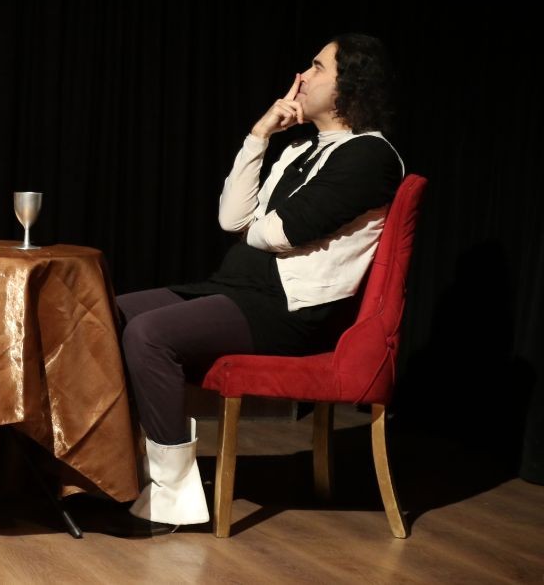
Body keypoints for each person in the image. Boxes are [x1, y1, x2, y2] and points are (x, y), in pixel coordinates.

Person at [118, 33, 404, 527]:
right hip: (239, 291)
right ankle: (110, 467)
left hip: (290, 309)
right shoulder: (299, 150)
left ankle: (174, 496)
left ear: (351, 84)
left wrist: (258, 229)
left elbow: (279, 233)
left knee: (148, 334)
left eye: (317, 67)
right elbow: (233, 219)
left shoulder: (370, 157)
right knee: (106, 313)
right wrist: (258, 136)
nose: (302, 77)